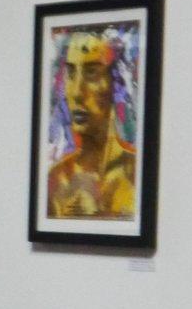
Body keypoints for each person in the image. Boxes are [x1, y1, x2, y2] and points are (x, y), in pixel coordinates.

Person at [45, 27, 137, 218]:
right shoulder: (57, 181)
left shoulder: (137, 175)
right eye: (70, 73)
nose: (77, 92)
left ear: (116, 83)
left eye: (92, 72)